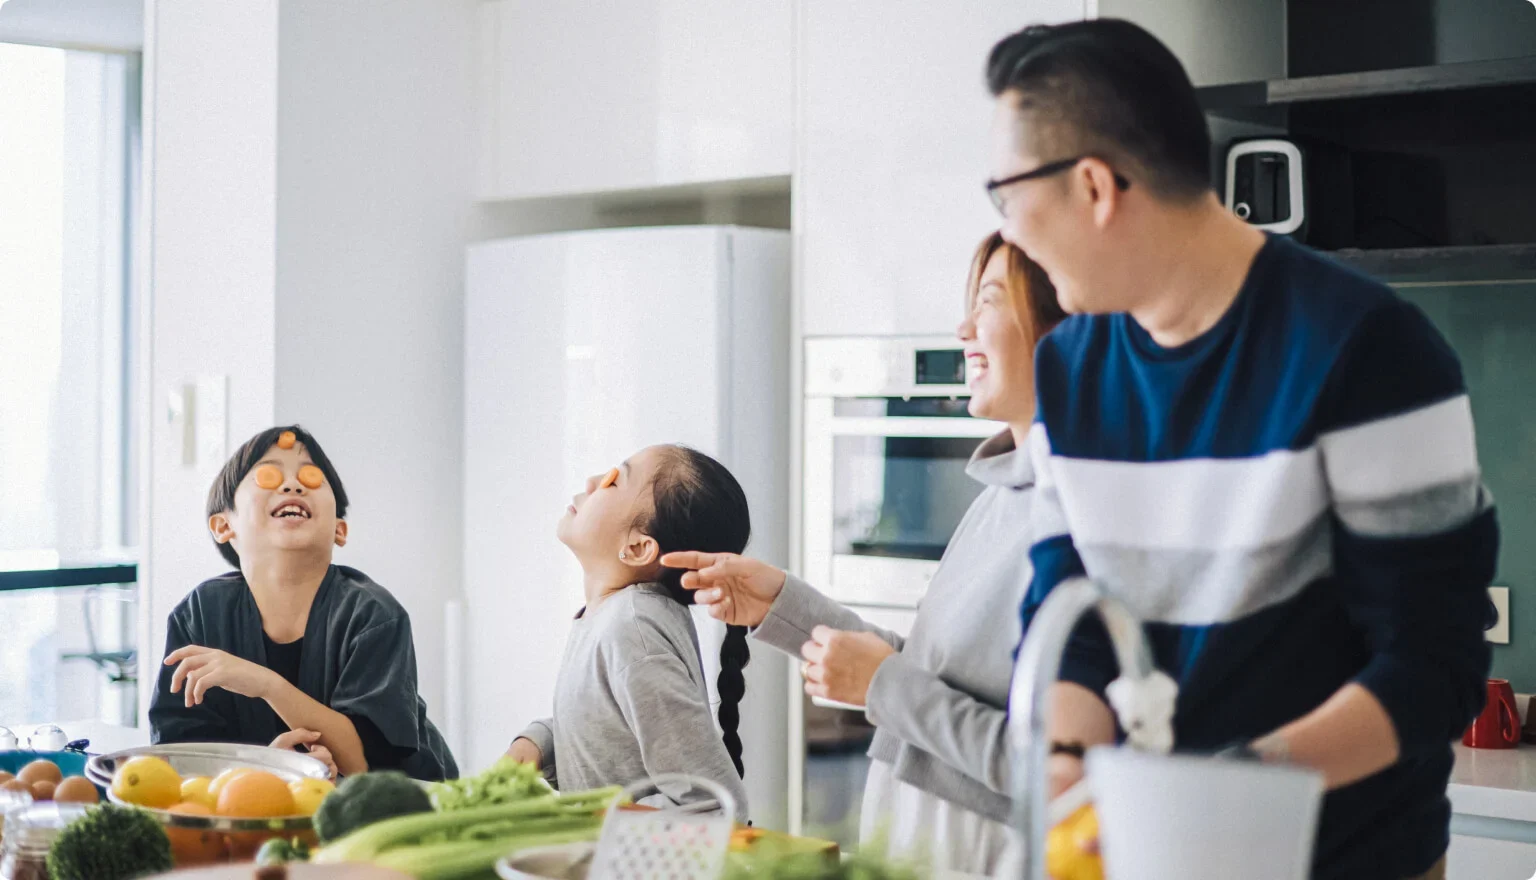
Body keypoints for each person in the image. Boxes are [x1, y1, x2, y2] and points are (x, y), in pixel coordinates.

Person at [985, 20, 1498, 880]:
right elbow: (1072, 617)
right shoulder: (1069, 370)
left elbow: (1432, 667)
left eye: (1005, 194)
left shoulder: (1366, 348)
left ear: (1095, 187)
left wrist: (1226, 789)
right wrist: (1070, 769)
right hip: (1157, 852)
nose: (1008, 233)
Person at [662, 232, 1067, 875]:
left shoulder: (1081, 514)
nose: (963, 329)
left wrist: (883, 684)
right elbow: (927, 677)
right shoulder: (1001, 492)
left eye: (989, 301)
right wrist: (784, 606)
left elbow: (1058, 769)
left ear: (1071, 322)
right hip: (919, 844)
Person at [149, 425, 458, 782]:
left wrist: (268, 685)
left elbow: (366, 762)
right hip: (256, 802)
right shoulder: (200, 614)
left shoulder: (373, 614)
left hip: (405, 801)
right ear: (223, 526)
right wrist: (267, 768)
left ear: (339, 529)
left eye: (312, 477)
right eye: (268, 475)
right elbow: (180, 756)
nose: (293, 485)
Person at [505, 445, 752, 820]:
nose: (593, 481)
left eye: (613, 480)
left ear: (637, 547)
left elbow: (712, 805)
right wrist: (538, 743)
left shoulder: (633, 631)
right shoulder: (616, 618)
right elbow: (610, 726)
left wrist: (591, 824)